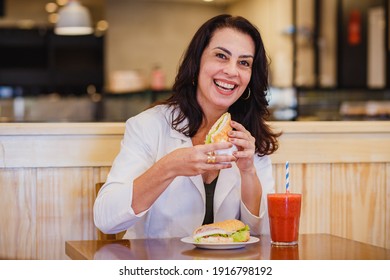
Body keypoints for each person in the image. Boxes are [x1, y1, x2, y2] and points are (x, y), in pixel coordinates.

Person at [94, 14, 281, 239]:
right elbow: (106, 219)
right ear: (197, 62)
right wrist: (169, 167)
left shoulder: (250, 137)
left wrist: (248, 171)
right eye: (221, 56)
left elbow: (265, 235)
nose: (232, 71)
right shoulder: (149, 126)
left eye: (244, 62)